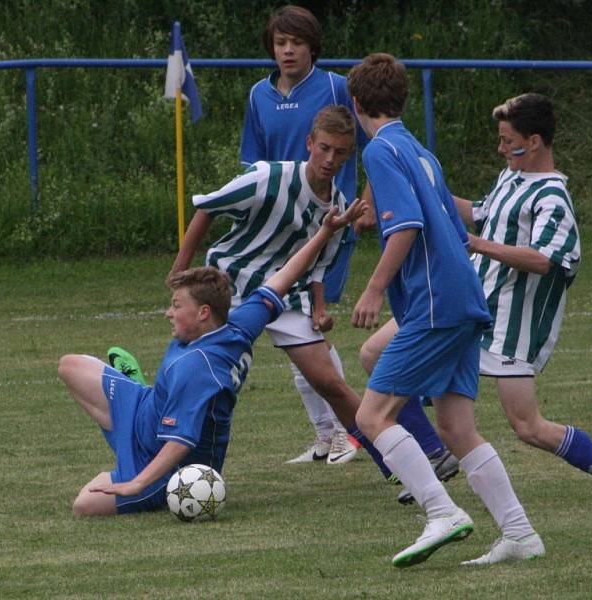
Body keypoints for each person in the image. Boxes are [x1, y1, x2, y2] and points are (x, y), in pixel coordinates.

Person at [361, 92, 592, 510]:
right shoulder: (511, 177)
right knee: (373, 353)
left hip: (510, 327)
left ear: (535, 141)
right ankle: (434, 453)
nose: (501, 148)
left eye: (508, 141)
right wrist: (423, 192)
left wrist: (477, 245)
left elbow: (543, 260)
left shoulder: (552, 197)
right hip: (464, 303)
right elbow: (480, 212)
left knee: (527, 426)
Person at [231, 4, 452, 472]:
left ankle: (347, 434)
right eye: (280, 42)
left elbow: (379, 146)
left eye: (297, 42)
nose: (288, 50)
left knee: (309, 328)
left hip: (328, 228)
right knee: (296, 334)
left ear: (313, 46)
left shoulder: (336, 87)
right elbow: (254, 162)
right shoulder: (258, 95)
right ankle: (330, 434)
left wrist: (368, 201)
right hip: (281, 234)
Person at [347, 53, 545, 568]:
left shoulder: (380, 152)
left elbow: (407, 224)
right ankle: (520, 534)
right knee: (456, 426)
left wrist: (373, 289)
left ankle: (441, 511)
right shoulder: (418, 150)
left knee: (372, 414)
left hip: (436, 304)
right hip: (463, 300)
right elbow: (449, 228)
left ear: (355, 103)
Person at [58, 199, 364, 516]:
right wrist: (326, 230)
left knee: (84, 505)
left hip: (169, 464)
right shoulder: (238, 324)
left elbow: (180, 444)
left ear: (203, 313)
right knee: (71, 366)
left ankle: (146, 476)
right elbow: (283, 276)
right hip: (145, 411)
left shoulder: (198, 368)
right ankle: (139, 395)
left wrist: (136, 484)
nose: (168, 313)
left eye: (177, 305)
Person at [171, 105, 399, 479]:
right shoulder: (266, 177)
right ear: (309, 143)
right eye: (324, 148)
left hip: (288, 297)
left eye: (340, 153)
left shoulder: (340, 207)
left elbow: (320, 265)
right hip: (229, 287)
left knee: (330, 383)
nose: (330, 159)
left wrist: (319, 308)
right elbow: (207, 207)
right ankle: (175, 459)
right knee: (195, 375)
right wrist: (180, 270)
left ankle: (391, 461)